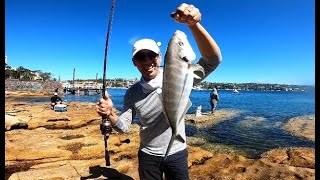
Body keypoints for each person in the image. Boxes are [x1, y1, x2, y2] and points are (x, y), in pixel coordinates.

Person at [96, 3, 222, 180]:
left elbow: (213, 60)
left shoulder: (180, 74)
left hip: (177, 153)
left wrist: (193, 25)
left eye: (151, 55)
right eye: (141, 57)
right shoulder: (132, 93)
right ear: (134, 62)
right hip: (148, 156)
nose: (147, 61)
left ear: (160, 57)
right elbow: (123, 127)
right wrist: (110, 113)